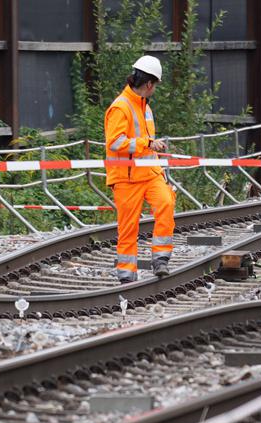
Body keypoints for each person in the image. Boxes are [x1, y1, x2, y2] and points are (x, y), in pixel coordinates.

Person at [104, 55, 175, 284]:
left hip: (150, 173)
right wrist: (147, 143)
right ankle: (127, 276)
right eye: (156, 85)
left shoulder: (145, 107)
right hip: (126, 178)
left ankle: (161, 259)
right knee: (128, 228)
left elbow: (146, 143)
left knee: (166, 202)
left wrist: (158, 166)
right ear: (149, 84)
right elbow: (115, 142)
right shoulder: (120, 107)